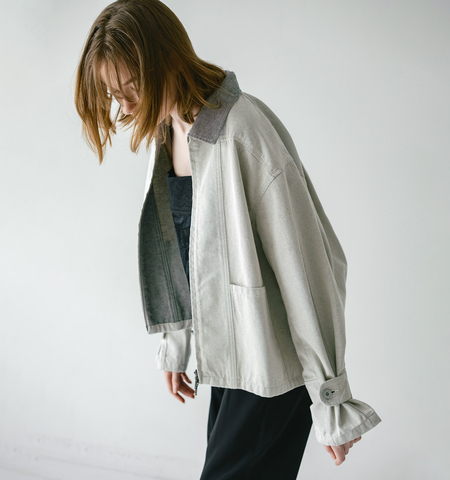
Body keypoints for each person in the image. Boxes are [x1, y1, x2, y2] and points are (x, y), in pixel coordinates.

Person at [74, 0, 382, 478]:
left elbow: (308, 265)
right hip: (231, 366)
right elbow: (181, 251)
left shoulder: (244, 131)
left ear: (166, 60)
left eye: (131, 87)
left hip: (273, 374)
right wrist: (177, 340)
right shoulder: (169, 132)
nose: (126, 106)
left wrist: (331, 397)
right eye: (116, 94)